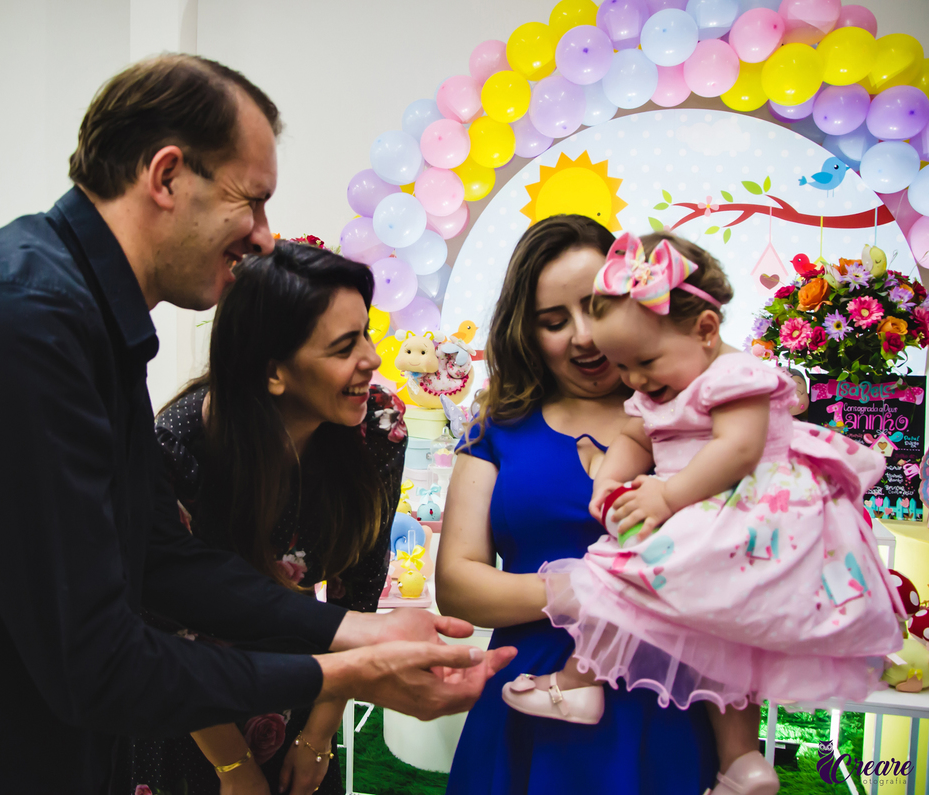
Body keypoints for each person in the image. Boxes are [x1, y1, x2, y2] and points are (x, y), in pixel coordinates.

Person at [0, 54, 513, 793]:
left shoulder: (87, 326)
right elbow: (96, 658)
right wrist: (341, 672)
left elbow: (160, 557)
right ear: (166, 176)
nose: (265, 235)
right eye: (251, 199)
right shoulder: (13, 320)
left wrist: (353, 631)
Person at [505, 231, 903, 795]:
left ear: (706, 330)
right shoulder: (663, 383)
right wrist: (610, 478)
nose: (635, 380)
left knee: (617, 579)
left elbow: (738, 449)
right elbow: (635, 434)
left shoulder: (735, 375)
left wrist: (668, 498)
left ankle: (578, 682)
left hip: (744, 511)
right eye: (624, 367)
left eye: (645, 362)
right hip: (706, 507)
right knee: (721, 645)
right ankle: (741, 763)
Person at [437, 215, 718, 794]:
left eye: (594, 307)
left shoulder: (694, 417)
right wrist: (583, 590)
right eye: (554, 321)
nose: (584, 336)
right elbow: (459, 586)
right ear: (526, 330)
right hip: (529, 698)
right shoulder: (498, 425)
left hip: (664, 703)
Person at [118, 240, 406, 795]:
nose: (372, 358)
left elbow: (359, 595)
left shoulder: (376, 430)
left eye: (366, 334)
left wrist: (317, 736)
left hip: (303, 688)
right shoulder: (178, 448)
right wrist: (233, 768)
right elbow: (164, 630)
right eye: (344, 346)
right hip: (190, 710)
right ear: (273, 371)